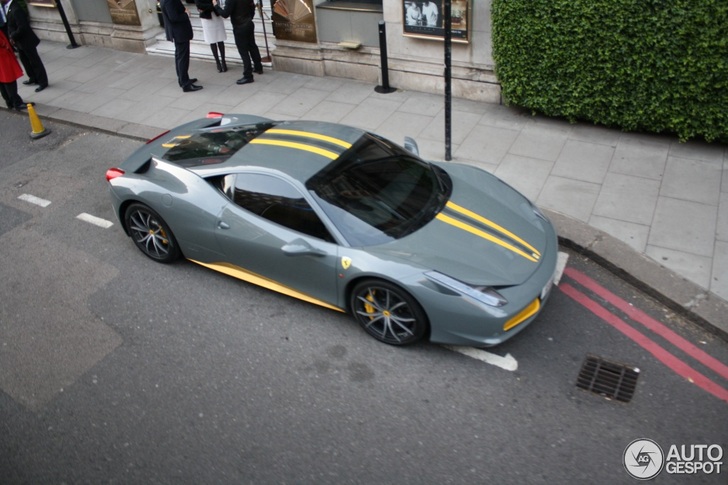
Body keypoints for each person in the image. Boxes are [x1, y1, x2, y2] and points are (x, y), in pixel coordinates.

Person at [213, 0, 262, 85]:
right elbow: (252, 6)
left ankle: (248, 75)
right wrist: (250, 17)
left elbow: (225, 14)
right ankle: (258, 67)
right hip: (248, 23)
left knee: (244, 51)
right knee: (252, 46)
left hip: (240, 26)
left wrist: (216, 5)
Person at [2, 0, 47, 92]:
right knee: (25, 61)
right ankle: (33, 78)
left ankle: (43, 82)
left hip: (26, 40)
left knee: (34, 61)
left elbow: (23, 26)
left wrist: (13, 36)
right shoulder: (8, 7)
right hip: (19, 42)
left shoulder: (16, 9)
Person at [159, 0, 202, 92]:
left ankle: (183, 79)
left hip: (179, 32)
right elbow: (174, 17)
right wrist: (186, 14)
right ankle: (185, 84)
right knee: (183, 58)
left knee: (179, 57)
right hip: (180, 32)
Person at [195, 0, 227, 73]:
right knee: (212, 40)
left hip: (216, 15)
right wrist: (213, 6)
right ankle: (218, 62)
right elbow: (199, 5)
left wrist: (213, 5)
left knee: (220, 39)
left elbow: (217, 2)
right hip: (207, 18)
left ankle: (223, 61)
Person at [0, 28, 28, 110]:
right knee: (9, 79)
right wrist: (5, 44)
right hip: (2, 57)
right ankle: (16, 103)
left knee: (2, 81)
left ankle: (9, 102)